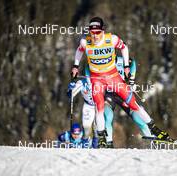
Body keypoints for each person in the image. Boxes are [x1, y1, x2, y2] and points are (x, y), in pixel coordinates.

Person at [71, 17, 171, 148]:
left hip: (114, 79)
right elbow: (79, 51)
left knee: (134, 104)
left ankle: (155, 130)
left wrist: (126, 67)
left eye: (97, 32)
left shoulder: (111, 39)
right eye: (92, 32)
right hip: (98, 81)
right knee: (99, 108)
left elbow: (124, 48)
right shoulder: (85, 42)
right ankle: (102, 139)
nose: (94, 36)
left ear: (102, 31)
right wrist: (75, 66)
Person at [67, 77, 98, 148]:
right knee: (86, 129)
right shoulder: (82, 82)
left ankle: (96, 148)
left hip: (99, 105)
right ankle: (84, 147)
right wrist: (70, 89)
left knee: (97, 129)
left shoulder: (100, 79)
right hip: (88, 106)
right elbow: (70, 95)